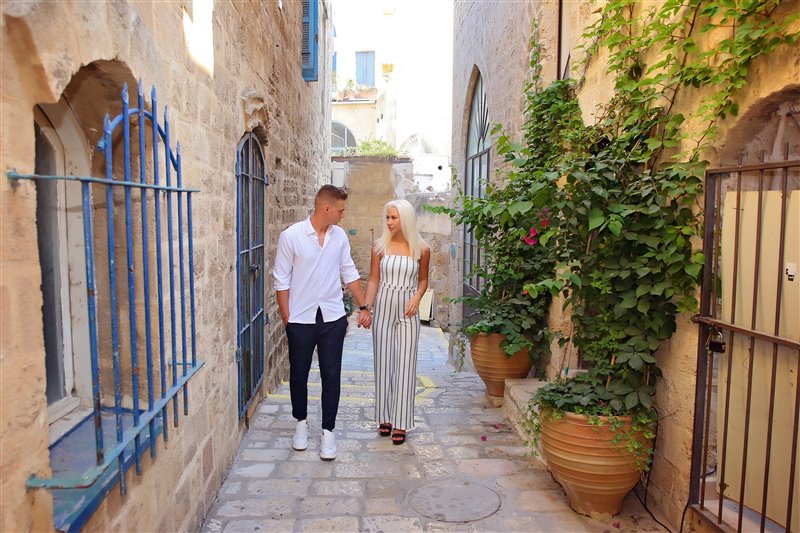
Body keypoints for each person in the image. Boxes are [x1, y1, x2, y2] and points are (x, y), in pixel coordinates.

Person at [273, 185, 372, 460]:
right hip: (300, 319)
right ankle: (301, 424)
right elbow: (281, 279)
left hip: (332, 318)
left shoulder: (339, 237)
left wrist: (363, 306)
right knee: (299, 374)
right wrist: (287, 318)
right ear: (326, 209)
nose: (343, 215)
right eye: (340, 210)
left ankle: (328, 431)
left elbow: (349, 271)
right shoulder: (291, 236)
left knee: (331, 375)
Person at [362, 199, 430, 445]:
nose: (389, 222)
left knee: (406, 363)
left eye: (394, 217)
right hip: (383, 307)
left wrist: (417, 297)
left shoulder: (422, 248)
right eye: (387, 217)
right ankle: (384, 417)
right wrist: (366, 308)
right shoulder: (379, 246)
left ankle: (401, 421)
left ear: (406, 219)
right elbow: (373, 279)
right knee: (383, 361)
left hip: (408, 311)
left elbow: (423, 280)